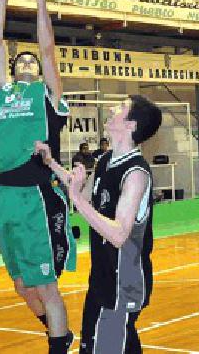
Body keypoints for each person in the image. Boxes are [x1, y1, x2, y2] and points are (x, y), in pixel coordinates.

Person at [0, 0, 77, 353]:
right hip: (2, 195)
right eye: (21, 60)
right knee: (22, 285)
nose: (26, 62)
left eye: (30, 61)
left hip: (35, 194)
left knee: (44, 284)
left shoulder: (47, 96)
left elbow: (49, 50)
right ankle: (61, 333)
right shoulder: (2, 91)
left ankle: (59, 342)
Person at [37, 94, 163, 354]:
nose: (110, 108)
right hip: (102, 278)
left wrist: (76, 199)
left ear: (131, 125)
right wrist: (50, 163)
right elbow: (81, 193)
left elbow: (118, 234)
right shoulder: (106, 160)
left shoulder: (136, 174)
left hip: (123, 283)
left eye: (120, 107)